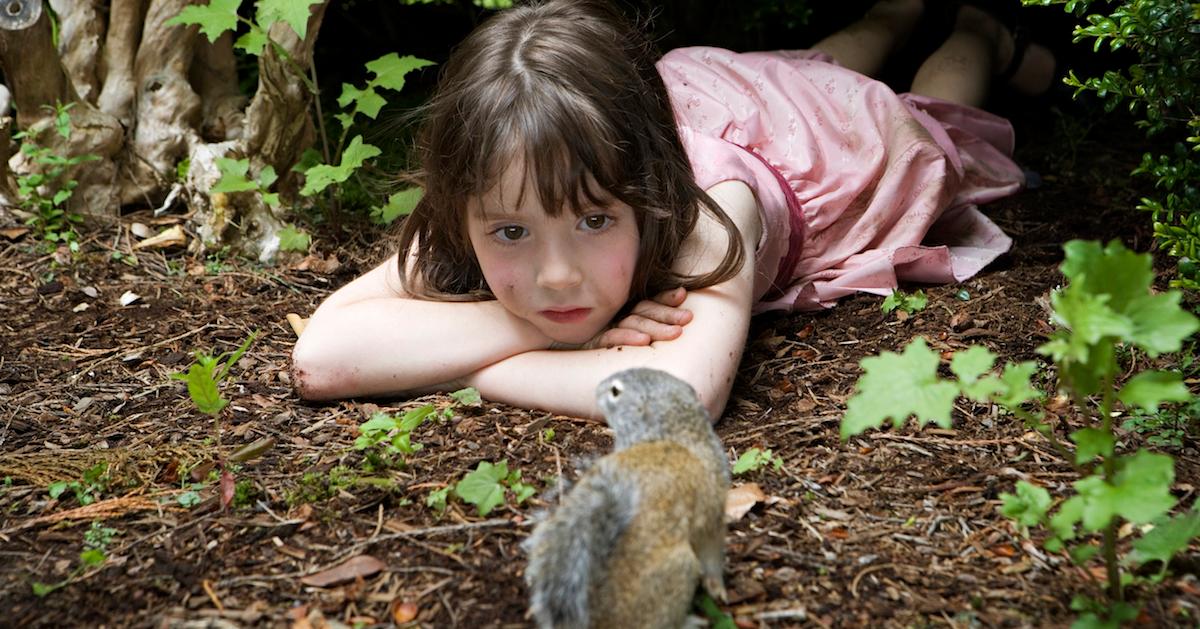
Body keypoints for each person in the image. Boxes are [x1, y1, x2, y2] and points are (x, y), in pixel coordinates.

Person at [291, 0, 1055, 419]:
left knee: (915, 117)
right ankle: (889, 14)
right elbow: (323, 357)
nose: (556, 277)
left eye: (595, 221)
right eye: (513, 233)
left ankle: (974, 28)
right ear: (467, 206)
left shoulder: (710, 215)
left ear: (648, 191)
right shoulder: (511, 171)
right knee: (807, 66)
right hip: (711, 96)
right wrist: (532, 330)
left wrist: (490, 369)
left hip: (816, 146)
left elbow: (685, 392)